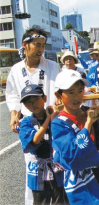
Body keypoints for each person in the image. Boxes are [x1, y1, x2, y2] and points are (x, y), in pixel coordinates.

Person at [51, 69, 99, 205]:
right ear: (59, 94)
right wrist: (88, 123)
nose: (76, 97)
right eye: (71, 92)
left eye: (80, 91)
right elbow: (72, 153)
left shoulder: (87, 112)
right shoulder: (58, 123)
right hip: (78, 180)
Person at [5, 25, 60, 205]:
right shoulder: (16, 70)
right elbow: (12, 93)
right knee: (33, 168)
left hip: (52, 120)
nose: (41, 49)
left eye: (43, 45)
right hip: (30, 125)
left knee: (58, 165)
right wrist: (14, 112)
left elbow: (60, 91)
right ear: (25, 44)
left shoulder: (52, 67)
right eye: (37, 44)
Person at [18, 84, 68, 205]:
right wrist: (48, 120)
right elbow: (35, 140)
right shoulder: (25, 122)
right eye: (29, 102)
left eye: (36, 99)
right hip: (38, 167)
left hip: (57, 166)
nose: (33, 104)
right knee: (40, 201)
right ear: (25, 106)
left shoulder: (57, 117)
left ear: (44, 99)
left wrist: (54, 116)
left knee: (60, 200)